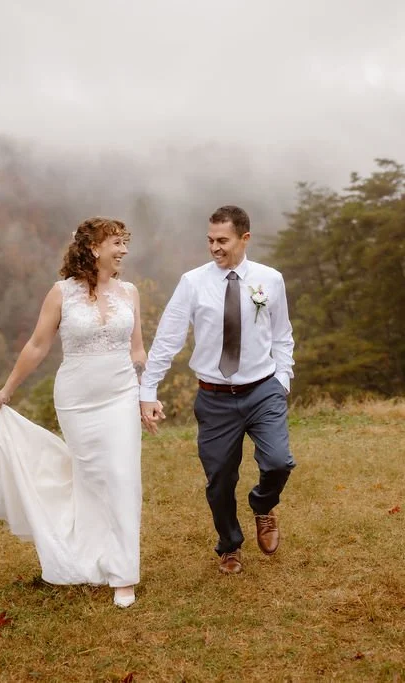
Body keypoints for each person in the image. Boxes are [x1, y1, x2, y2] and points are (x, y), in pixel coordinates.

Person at [0, 217, 156, 608]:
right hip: (77, 400)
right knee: (91, 478)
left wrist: (148, 396)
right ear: (94, 248)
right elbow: (38, 346)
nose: (124, 250)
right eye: (117, 242)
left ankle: (123, 574)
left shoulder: (130, 293)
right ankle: (88, 556)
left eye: (125, 242)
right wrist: (8, 389)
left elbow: (138, 351)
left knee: (122, 476)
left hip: (121, 395)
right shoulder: (61, 294)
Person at [139, 205, 295, 575]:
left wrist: (282, 379)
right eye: (210, 240)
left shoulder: (270, 279)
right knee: (220, 480)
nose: (214, 248)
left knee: (278, 462)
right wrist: (148, 389)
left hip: (263, 390)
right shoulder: (193, 283)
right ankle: (229, 545)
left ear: (244, 239)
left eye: (222, 240)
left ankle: (262, 505)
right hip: (214, 397)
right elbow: (168, 339)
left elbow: (282, 334)